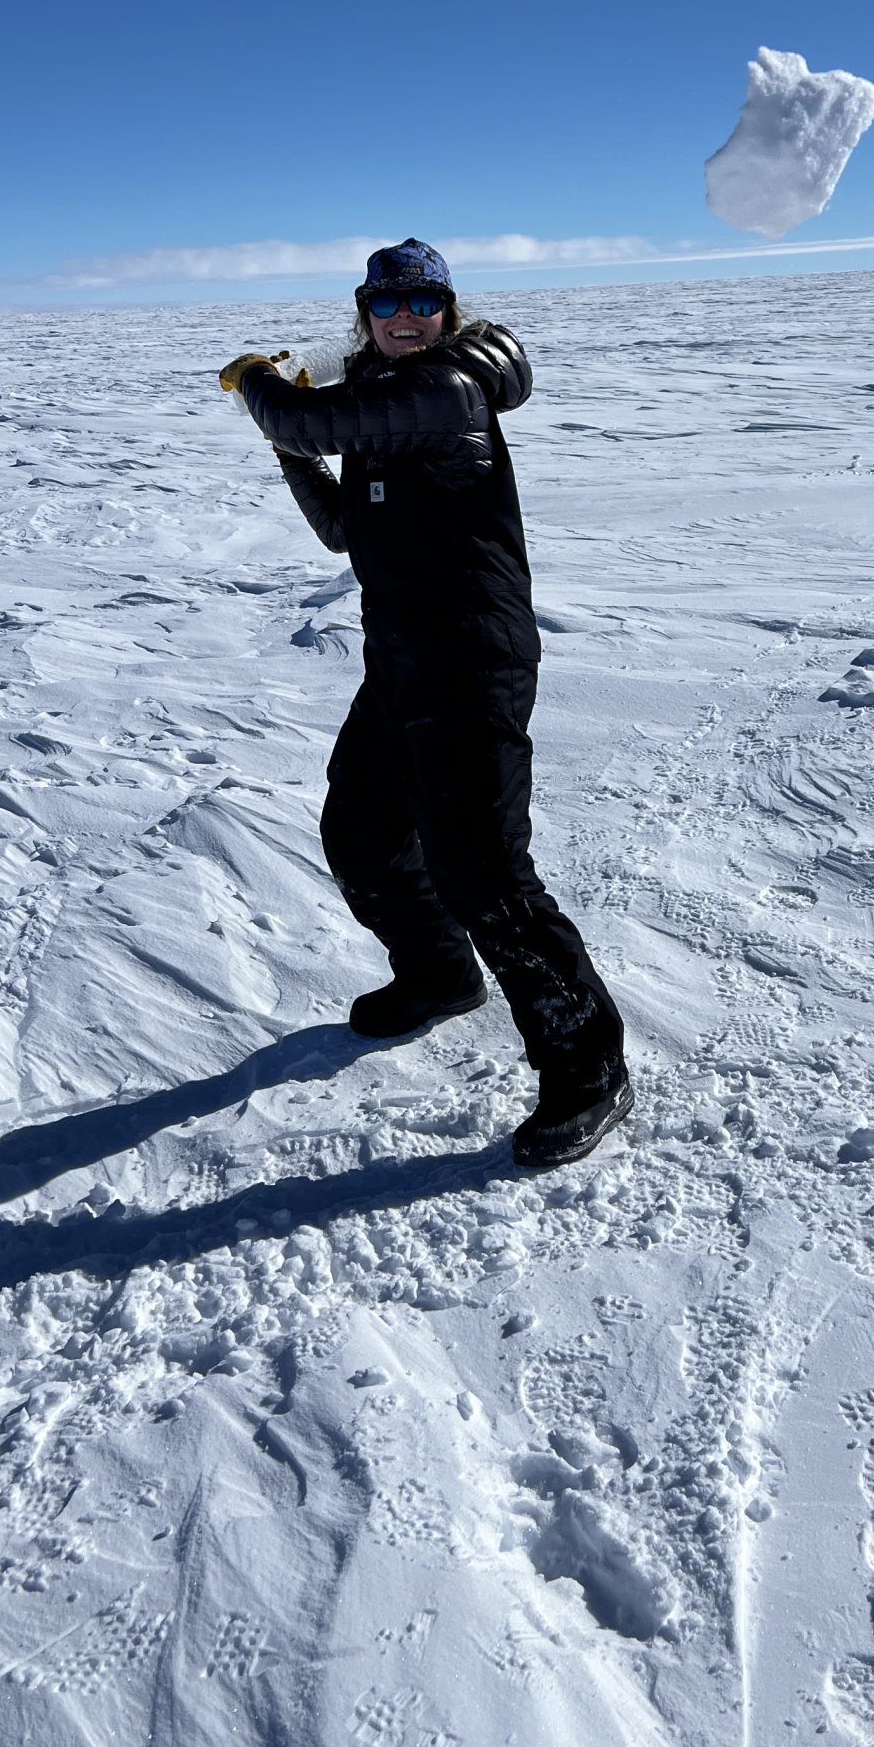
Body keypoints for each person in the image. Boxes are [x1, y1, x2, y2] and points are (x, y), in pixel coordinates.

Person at [218, 238, 631, 1170]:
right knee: (361, 835)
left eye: (423, 303)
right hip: (401, 659)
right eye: (385, 305)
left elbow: (310, 416)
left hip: (473, 660)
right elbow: (341, 529)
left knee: (486, 874)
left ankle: (589, 1070)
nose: (405, 319)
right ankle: (440, 974)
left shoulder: (444, 394)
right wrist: (293, 451)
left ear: (448, 311)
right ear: (364, 313)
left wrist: (260, 386)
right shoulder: (381, 413)